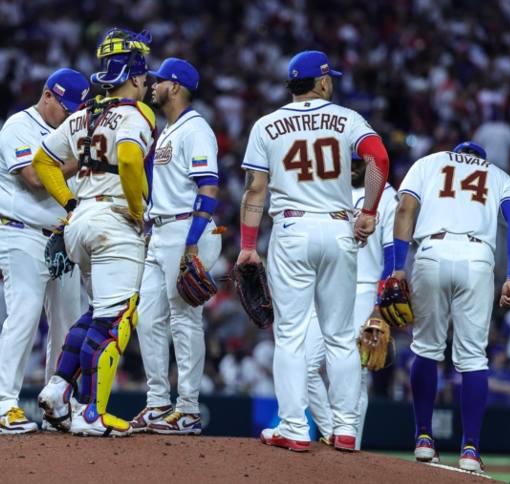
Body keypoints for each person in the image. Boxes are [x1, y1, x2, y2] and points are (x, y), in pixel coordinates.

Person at [237, 51, 389, 452]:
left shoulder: (266, 125)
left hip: (292, 227)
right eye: (329, 77)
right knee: (339, 336)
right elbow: (378, 157)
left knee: (290, 335)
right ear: (322, 82)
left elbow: (255, 190)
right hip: (338, 227)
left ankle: (294, 428)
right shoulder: (347, 118)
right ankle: (345, 428)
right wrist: (368, 212)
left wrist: (248, 246)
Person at [32, 27, 156, 437]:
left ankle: (57, 389)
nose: (146, 84)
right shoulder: (136, 113)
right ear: (134, 77)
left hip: (82, 219)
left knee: (98, 313)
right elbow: (129, 158)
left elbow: (43, 161)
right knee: (117, 319)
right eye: (144, 76)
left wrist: (70, 203)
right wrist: (137, 210)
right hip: (114, 222)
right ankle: (91, 412)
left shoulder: (83, 115)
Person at [394, 141, 510, 472]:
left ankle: (424, 438)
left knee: (426, 348)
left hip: (432, 252)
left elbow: (405, 209)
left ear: (457, 153)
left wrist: (397, 267)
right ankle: (470, 448)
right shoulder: (498, 175)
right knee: (473, 358)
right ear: (480, 158)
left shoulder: (429, 162)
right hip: (477, 257)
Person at [0, 68, 89, 434]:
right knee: (25, 314)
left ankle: (57, 404)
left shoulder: (71, 131)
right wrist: (84, 158)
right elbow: (34, 178)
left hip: (62, 237)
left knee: (68, 324)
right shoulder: (19, 126)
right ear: (48, 95)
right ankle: (4, 406)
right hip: (22, 234)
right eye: (66, 108)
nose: (71, 115)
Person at [130, 58, 222, 435]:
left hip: (187, 229)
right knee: (147, 316)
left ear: (177, 86)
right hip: (162, 230)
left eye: (160, 81)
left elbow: (208, 187)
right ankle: (157, 403)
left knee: (184, 320)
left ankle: (188, 408)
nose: (153, 86)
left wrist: (192, 242)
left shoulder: (196, 128)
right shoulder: (168, 130)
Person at [305, 153, 398, 449]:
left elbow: (392, 253)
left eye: (360, 163)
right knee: (304, 365)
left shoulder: (387, 196)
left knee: (355, 372)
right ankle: (332, 431)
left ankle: (350, 447)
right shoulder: (329, 189)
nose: (354, 168)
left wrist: (380, 304)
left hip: (364, 288)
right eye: (351, 162)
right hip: (327, 286)